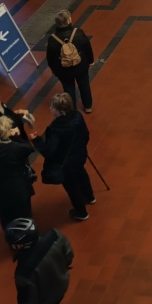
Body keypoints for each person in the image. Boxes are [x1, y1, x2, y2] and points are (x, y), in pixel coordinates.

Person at [31, 92, 94, 222]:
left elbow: (49, 151)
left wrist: (37, 140)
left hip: (66, 163)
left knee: (72, 187)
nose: (50, 109)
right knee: (82, 173)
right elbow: (86, 135)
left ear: (60, 111)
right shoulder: (77, 115)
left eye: (52, 107)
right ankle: (89, 196)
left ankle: (81, 212)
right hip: (80, 155)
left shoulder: (56, 129)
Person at [0, 117, 36, 229]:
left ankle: (11, 237)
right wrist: (17, 136)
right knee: (25, 216)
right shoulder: (14, 148)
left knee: (5, 217)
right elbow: (29, 148)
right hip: (18, 191)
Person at [5, 218, 73, 304]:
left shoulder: (24, 273)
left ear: (18, 246)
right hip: (61, 287)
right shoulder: (54, 234)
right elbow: (69, 256)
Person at [46, 10, 95, 114]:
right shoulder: (78, 32)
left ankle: (72, 110)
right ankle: (88, 107)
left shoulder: (52, 39)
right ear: (68, 20)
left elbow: (49, 57)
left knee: (68, 88)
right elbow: (87, 47)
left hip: (63, 69)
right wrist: (90, 61)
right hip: (80, 65)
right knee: (84, 85)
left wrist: (54, 69)